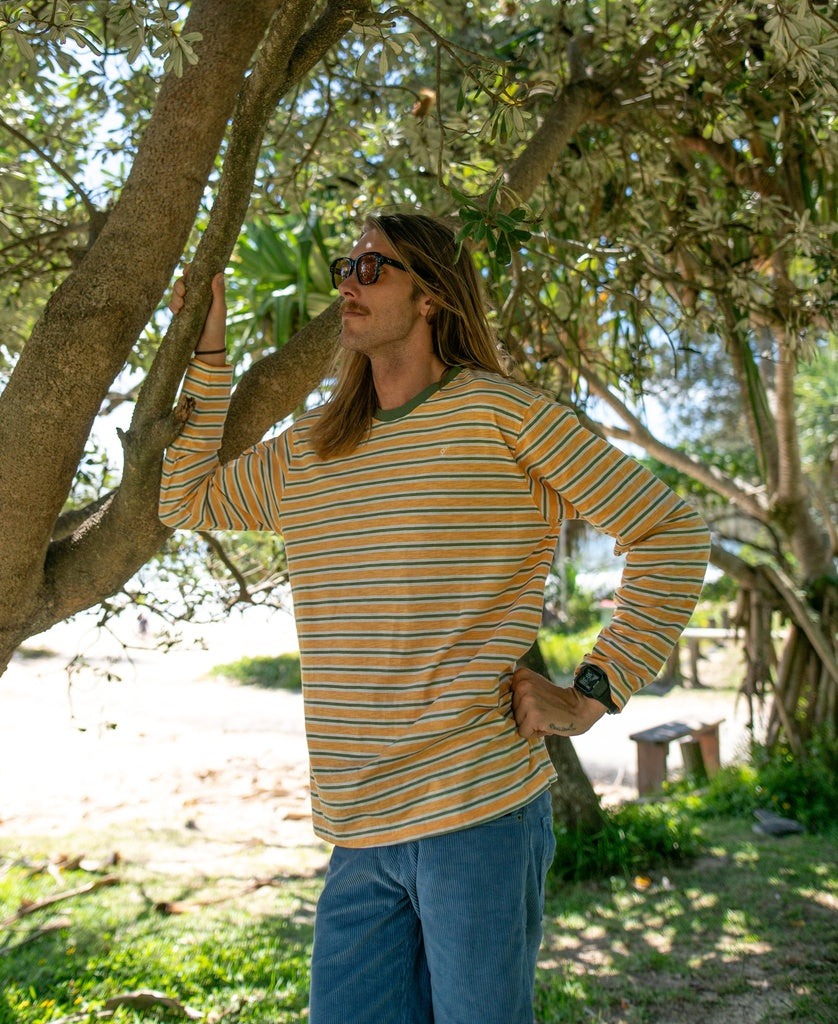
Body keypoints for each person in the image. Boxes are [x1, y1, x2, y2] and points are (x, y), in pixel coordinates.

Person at [159, 212, 710, 1023]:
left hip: (478, 812)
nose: (348, 280)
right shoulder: (312, 448)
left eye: (373, 268)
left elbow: (670, 532)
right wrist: (207, 356)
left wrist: (590, 694)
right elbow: (187, 498)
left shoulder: (504, 417)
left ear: (432, 297)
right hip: (358, 827)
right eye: (347, 265)